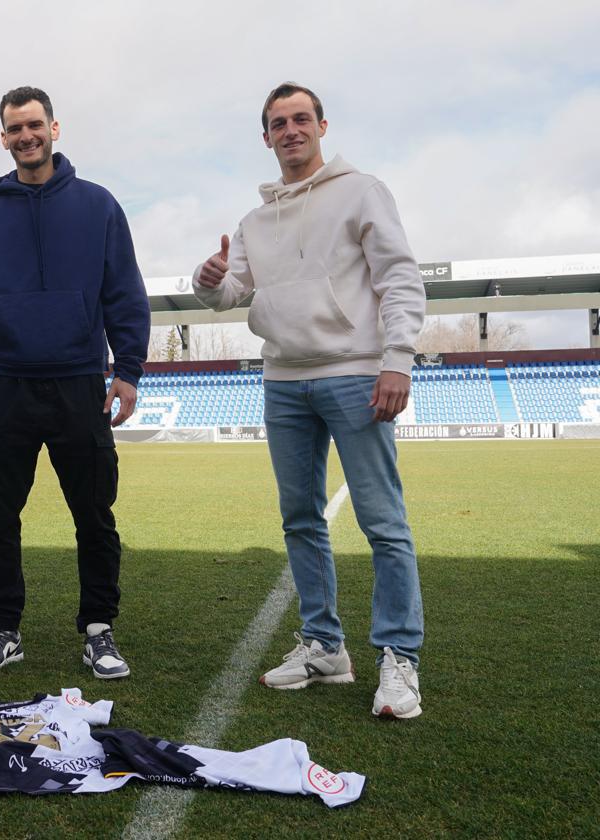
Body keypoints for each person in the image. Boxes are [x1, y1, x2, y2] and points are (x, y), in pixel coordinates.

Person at [192, 82, 427, 718]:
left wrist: (396, 359)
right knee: (300, 518)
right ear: (265, 136)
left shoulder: (362, 190)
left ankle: (399, 659)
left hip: (355, 374)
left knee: (384, 524)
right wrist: (208, 280)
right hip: (283, 380)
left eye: (301, 119)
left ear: (322, 125)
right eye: (278, 123)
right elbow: (231, 291)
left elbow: (398, 276)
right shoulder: (254, 220)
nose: (290, 130)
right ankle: (325, 647)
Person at [0, 86, 150, 679]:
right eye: (13, 128)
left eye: (34, 125)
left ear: (54, 128)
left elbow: (124, 291)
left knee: (94, 516)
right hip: (7, 387)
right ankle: (4, 630)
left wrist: (127, 369)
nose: (25, 136)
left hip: (79, 383)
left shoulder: (98, 206)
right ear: (3, 138)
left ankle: (100, 631)